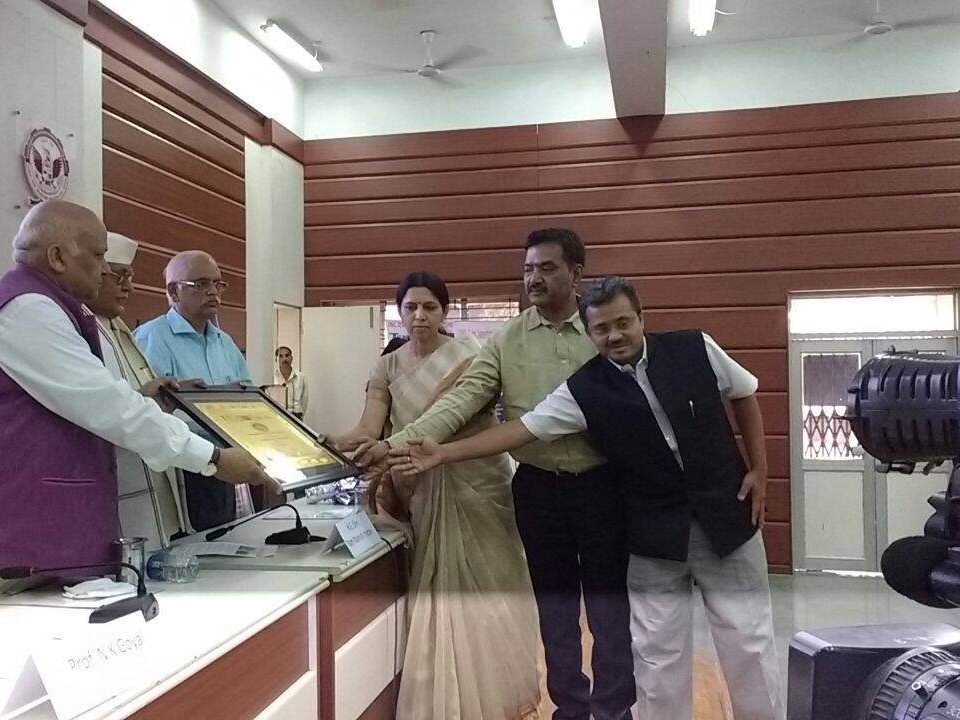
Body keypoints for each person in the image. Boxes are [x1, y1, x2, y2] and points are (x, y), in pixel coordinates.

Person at [389, 276, 783, 720]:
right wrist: (442, 453)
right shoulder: (585, 388)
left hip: (726, 521)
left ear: (641, 318)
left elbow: (744, 392)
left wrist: (759, 469)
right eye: (602, 329)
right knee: (658, 656)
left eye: (623, 323)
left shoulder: (695, 348)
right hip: (653, 534)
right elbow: (522, 429)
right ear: (589, 333)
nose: (614, 335)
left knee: (749, 643)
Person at [0, 201, 275, 623]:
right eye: (98, 256)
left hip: (0, 540)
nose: (106, 270)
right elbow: (109, 405)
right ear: (58, 257)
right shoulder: (26, 309)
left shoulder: (55, 308)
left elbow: (99, 403)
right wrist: (213, 459)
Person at [355, 229, 635, 720]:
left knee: (609, 611)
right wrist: (396, 444)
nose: (533, 278)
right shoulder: (507, 339)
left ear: (576, 274)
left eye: (546, 268)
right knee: (555, 611)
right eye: (528, 269)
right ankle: (570, 709)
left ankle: (614, 712)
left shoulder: (601, 330)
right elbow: (462, 400)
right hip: (538, 489)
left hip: (602, 486)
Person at [330, 271, 541, 720]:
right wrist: (323, 442)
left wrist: (389, 448)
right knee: (437, 590)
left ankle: (497, 697)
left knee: (490, 588)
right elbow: (368, 428)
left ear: (444, 311)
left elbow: (454, 417)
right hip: (422, 487)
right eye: (410, 307)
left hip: (477, 482)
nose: (420, 316)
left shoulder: (471, 356)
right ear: (399, 312)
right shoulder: (387, 367)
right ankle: (446, 700)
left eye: (429, 307)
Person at [134, 250, 256, 530]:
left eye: (218, 284)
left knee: (228, 539)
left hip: (227, 464)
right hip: (181, 468)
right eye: (201, 284)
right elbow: (148, 412)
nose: (213, 292)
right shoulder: (153, 338)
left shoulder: (224, 343)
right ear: (173, 292)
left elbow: (250, 399)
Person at [88, 232, 186, 548]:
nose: (128, 287)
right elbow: (104, 410)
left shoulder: (119, 327)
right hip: (112, 477)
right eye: (119, 276)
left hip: (150, 465)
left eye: (130, 277)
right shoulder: (80, 329)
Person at [273, 346, 308, 419]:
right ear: (276, 359)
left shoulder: (300, 377)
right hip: (277, 415)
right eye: (281, 356)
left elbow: (304, 399)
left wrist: (300, 415)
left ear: (291, 358)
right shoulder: (273, 377)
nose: (284, 359)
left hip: (296, 416)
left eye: (287, 355)